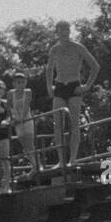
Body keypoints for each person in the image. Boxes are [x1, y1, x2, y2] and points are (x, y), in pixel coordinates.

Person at [45, 21, 100, 175]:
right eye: (61, 29)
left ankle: (73, 159)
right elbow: (49, 70)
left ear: (69, 31)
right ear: (57, 31)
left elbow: (95, 66)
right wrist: (49, 87)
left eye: (67, 29)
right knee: (58, 124)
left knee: (74, 124)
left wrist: (87, 85)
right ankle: (61, 160)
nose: (65, 32)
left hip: (74, 85)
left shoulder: (77, 47)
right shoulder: (54, 49)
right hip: (60, 85)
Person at [7, 72, 38, 176]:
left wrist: (21, 119)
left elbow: (26, 107)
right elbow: (9, 107)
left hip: (27, 120)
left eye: (23, 82)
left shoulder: (28, 92)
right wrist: (12, 119)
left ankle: (37, 166)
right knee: (24, 145)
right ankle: (35, 165)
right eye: (18, 82)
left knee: (30, 144)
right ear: (14, 83)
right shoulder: (11, 93)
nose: (21, 84)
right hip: (17, 122)